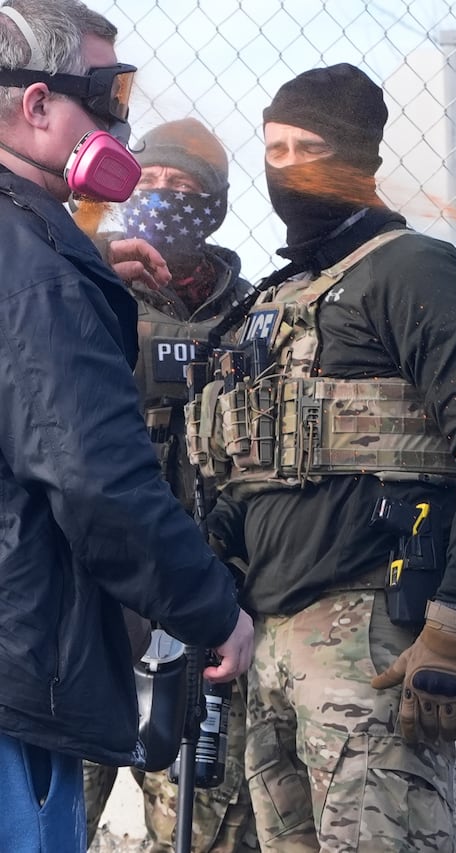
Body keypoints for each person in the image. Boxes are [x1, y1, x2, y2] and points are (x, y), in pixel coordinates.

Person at [191, 63, 456, 850]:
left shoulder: (412, 269)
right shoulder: (282, 299)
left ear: (359, 160)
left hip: (372, 639)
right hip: (272, 644)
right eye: (273, 149)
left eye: (307, 148)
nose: (287, 168)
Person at [0, 1, 254, 848]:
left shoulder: (37, 259)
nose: (122, 119)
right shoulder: (37, 275)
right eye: (107, 93)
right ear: (36, 105)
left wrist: (70, 256)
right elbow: (97, 480)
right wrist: (213, 612)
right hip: (22, 671)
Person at [80, 118, 258, 853]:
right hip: (94, 606)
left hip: (203, 608)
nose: (160, 200)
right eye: (147, 183)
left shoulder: (254, 319)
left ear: (214, 206)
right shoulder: (91, 294)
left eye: (181, 189)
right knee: (47, 811)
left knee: (204, 826)